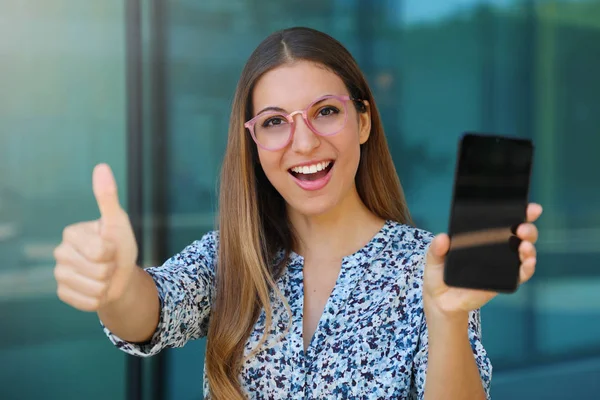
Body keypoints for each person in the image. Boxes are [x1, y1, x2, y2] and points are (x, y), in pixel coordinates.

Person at [53, 27, 542, 399]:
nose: (304, 142)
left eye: (326, 111)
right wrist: (116, 286)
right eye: (274, 122)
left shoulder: (428, 266)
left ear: (364, 121)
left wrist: (448, 318)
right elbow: (150, 313)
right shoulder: (234, 257)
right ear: (254, 143)